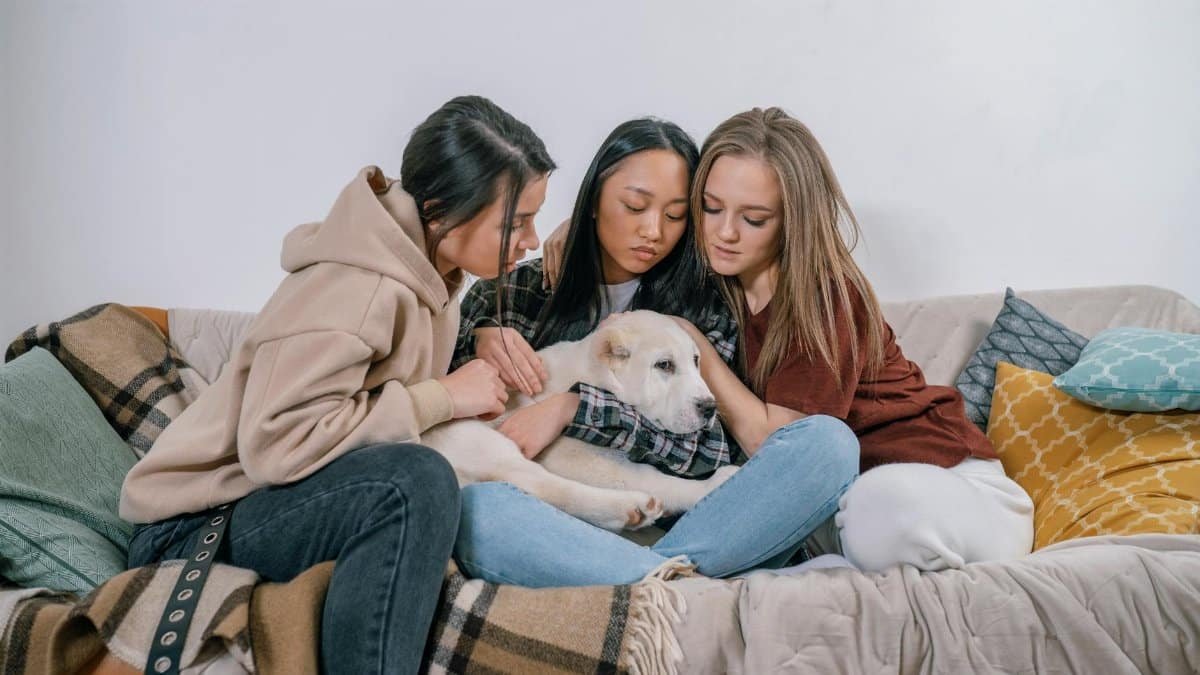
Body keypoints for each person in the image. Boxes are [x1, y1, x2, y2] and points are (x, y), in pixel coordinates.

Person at [121, 95, 555, 674]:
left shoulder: (433, 267)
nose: (529, 238)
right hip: (196, 525)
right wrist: (442, 397)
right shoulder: (355, 287)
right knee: (415, 482)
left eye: (535, 219)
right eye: (516, 222)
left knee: (444, 474)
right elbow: (275, 446)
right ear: (440, 211)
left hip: (265, 502)